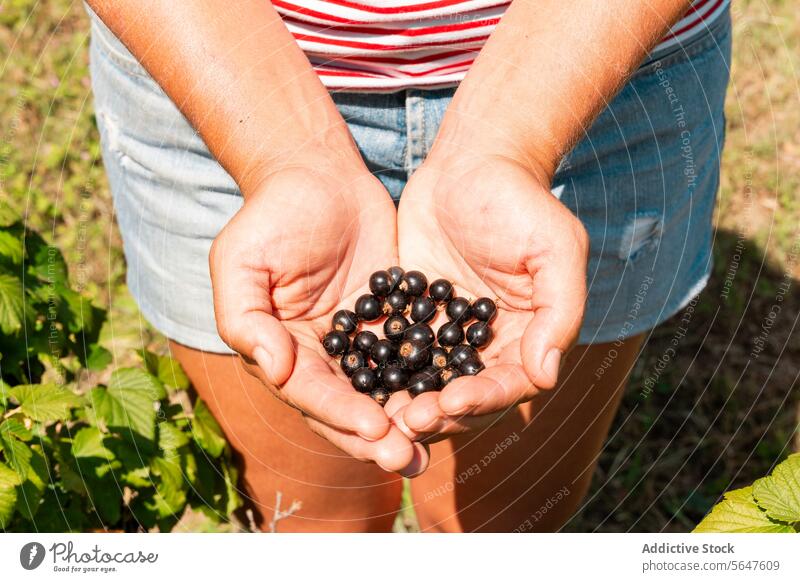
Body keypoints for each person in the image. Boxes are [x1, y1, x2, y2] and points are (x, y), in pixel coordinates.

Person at [85, 0, 731, 532]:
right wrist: (284, 156)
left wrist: (511, 142)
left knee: (505, 525)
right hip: (215, 68)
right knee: (312, 525)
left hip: (597, 64)